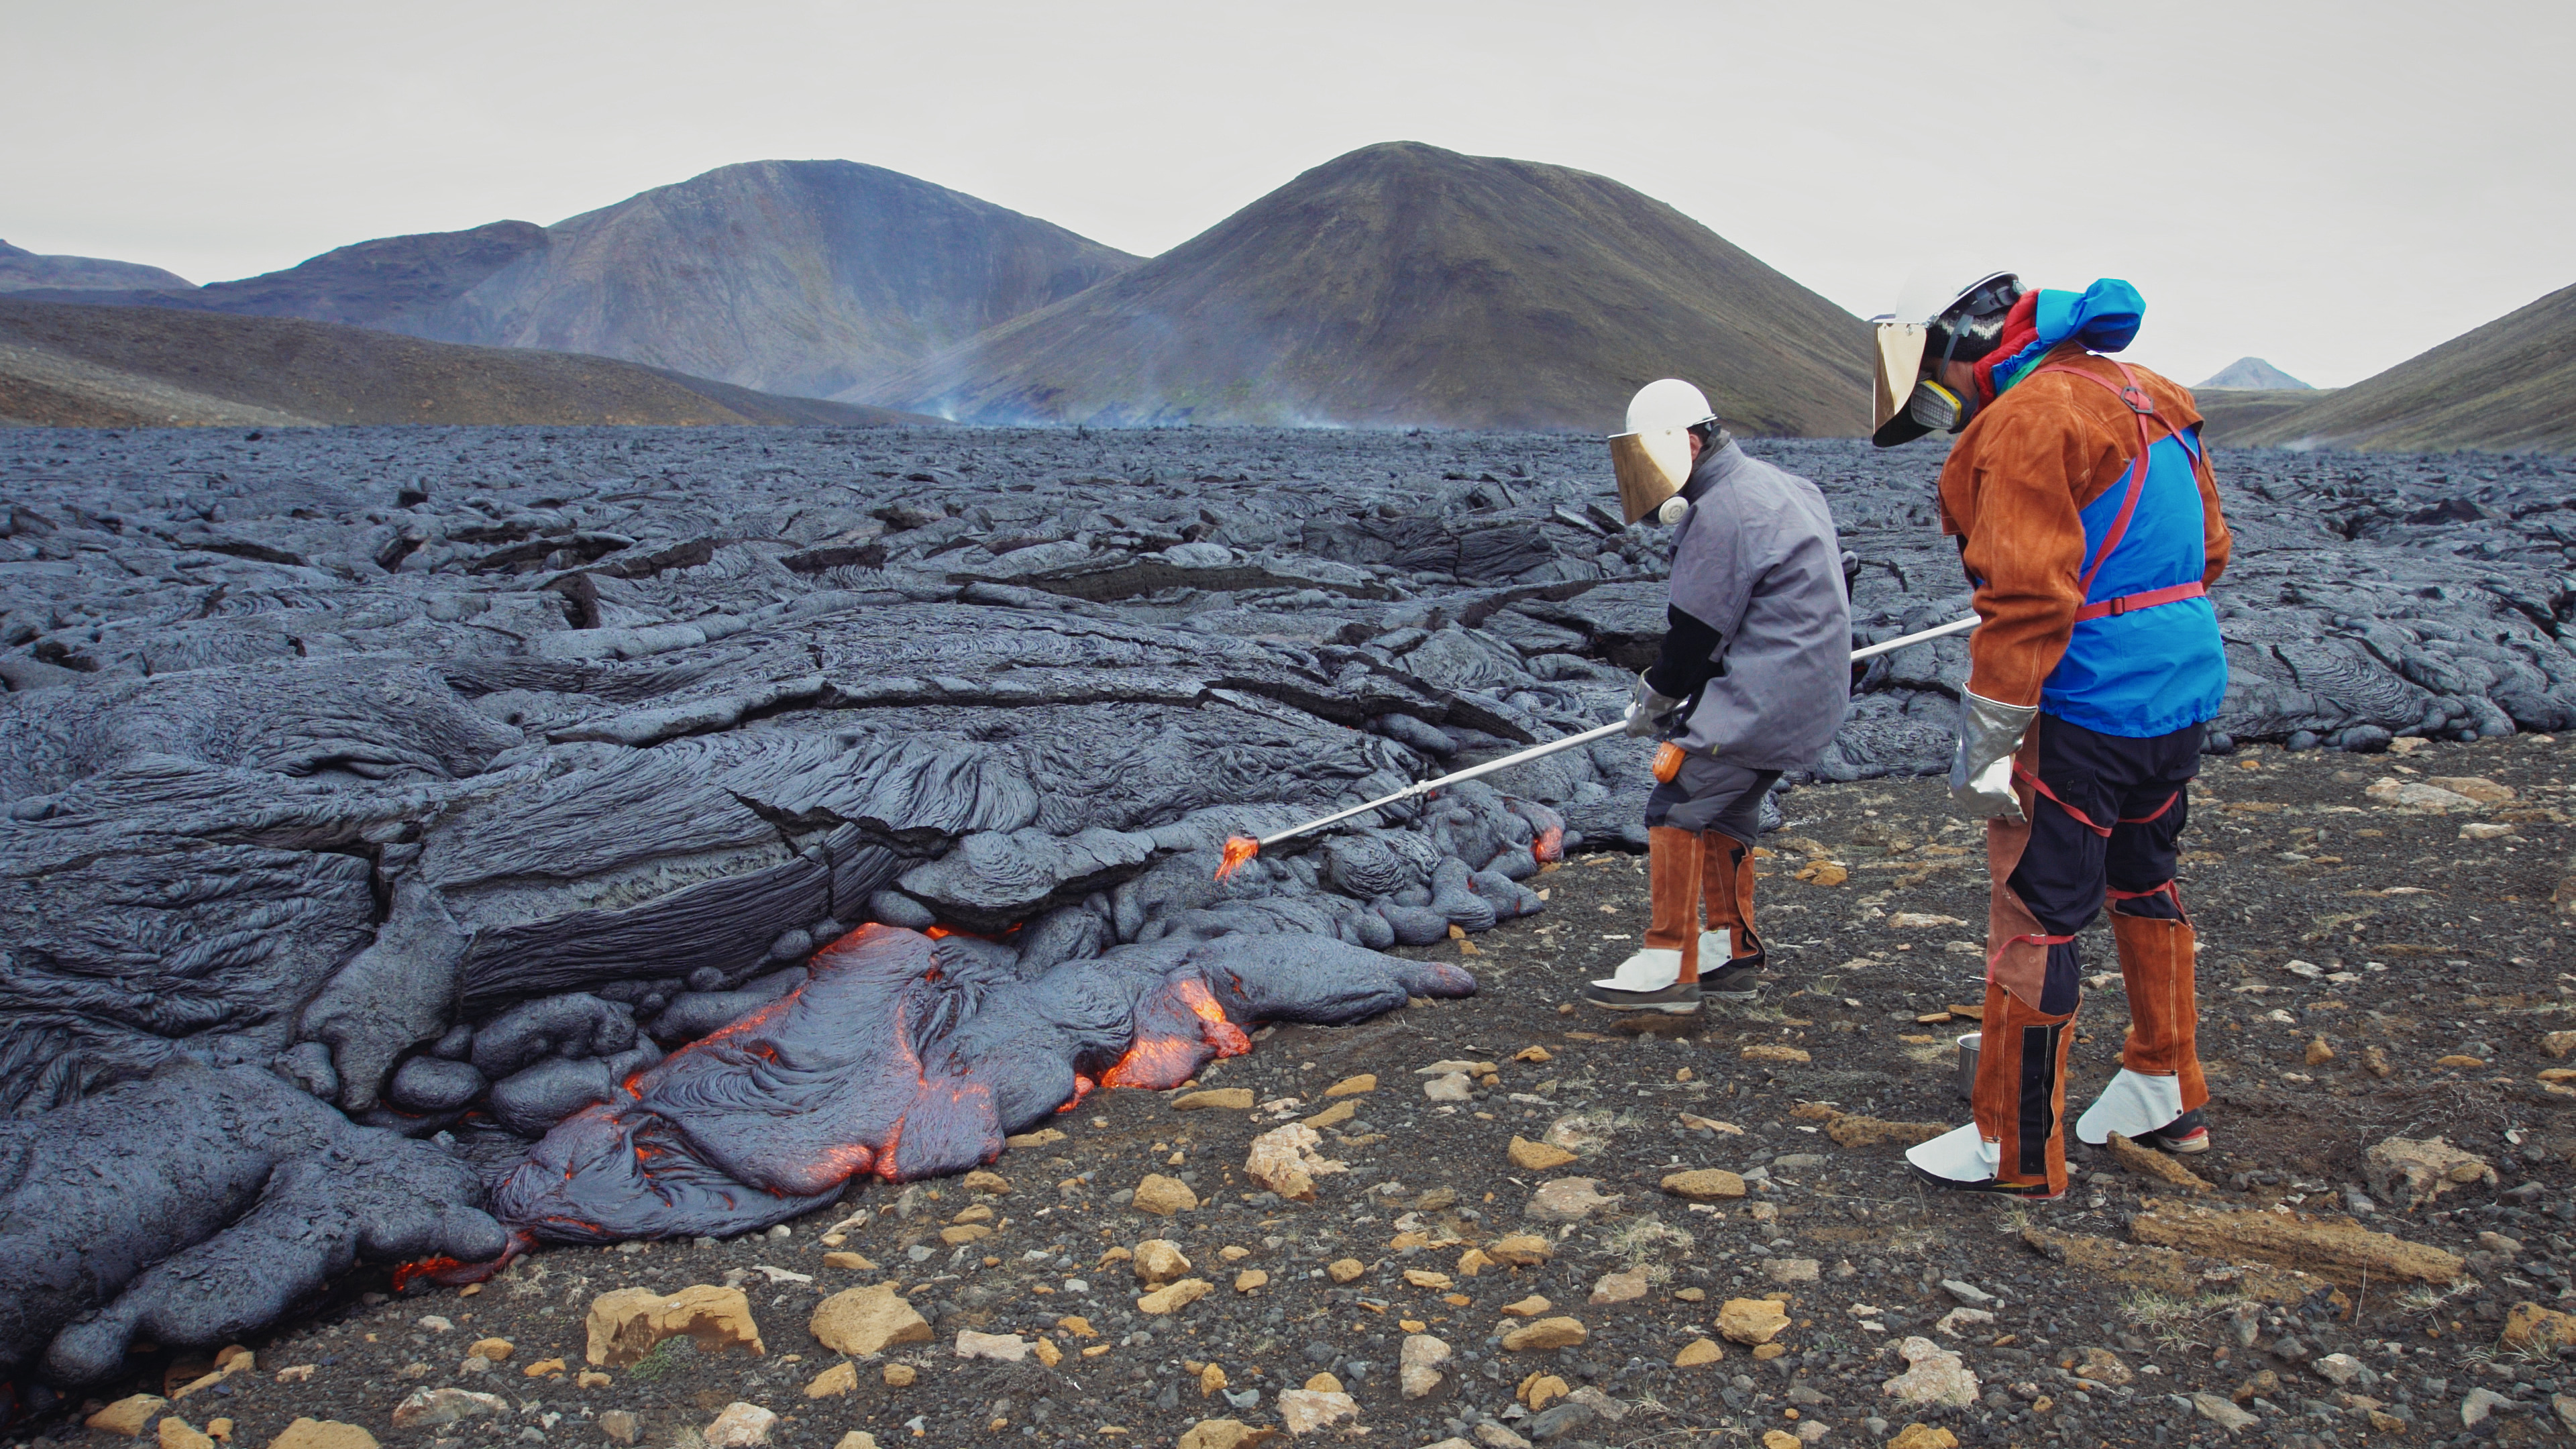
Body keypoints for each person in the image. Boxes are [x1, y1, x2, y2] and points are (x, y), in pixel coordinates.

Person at [1871, 274, 2233, 1200]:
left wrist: (1990, 736)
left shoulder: (2029, 417)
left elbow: (2029, 598)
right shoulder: (2152, 393)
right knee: (2143, 877)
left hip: (2085, 702)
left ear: (1967, 352)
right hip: (2179, 687)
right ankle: (2165, 1085)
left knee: (2035, 914)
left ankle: (2014, 1145)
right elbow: (2211, 552)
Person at [1585, 379, 1851, 1015]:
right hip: (1808, 689)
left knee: (1675, 803)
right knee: (1729, 810)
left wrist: (1653, 700)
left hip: (1766, 693)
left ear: (1690, 443)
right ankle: (1733, 948)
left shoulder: (1723, 511)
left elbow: (1695, 635)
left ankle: (1668, 965)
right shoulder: (1781, 485)